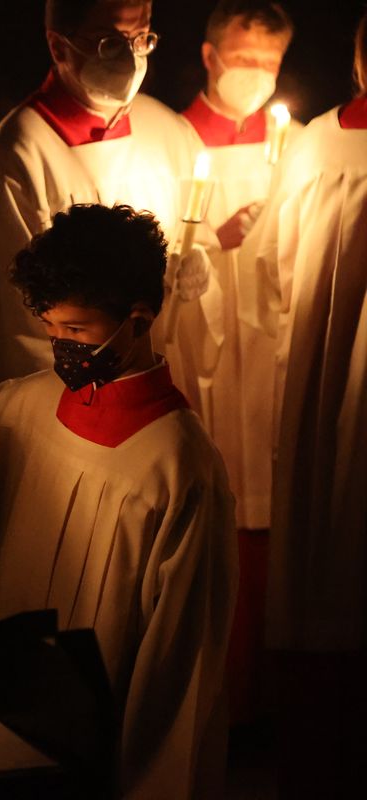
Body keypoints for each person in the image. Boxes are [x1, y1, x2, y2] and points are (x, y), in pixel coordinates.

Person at [0, 204, 236, 799]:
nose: (61, 348)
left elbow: (179, 665)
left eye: (77, 331)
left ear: (138, 318)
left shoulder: (180, 468)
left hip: (95, 751)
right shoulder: (36, 400)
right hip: (1, 711)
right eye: (51, 330)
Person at [0, 0, 218, 401]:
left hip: (160, 393)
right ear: (59, 47)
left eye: (141, 38)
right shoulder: (20, 154)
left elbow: (197, 230)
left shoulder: (168, 130)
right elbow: (10, 325)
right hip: (76, 405)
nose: (131, 58)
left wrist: (202, 260)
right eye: (111, 42)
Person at [241, 12, 367, 795]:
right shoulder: (317, 146)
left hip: (322, 395)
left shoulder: (318, 147)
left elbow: (273, 280)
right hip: (327, 396)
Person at [178, 0, 300, 725]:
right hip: (207, 362)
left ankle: (275, 704)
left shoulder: (298, 147)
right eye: (242, 58)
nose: (255, 76)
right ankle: (219, 701)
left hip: (274, 361)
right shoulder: (173, 139)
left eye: (269, 63)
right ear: (208, 55)